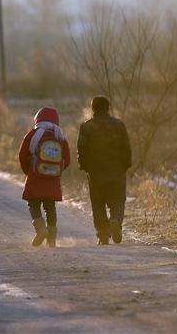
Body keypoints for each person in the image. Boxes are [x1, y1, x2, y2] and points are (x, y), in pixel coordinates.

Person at [77, 96, 132, 245]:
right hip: (117, 170)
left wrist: (84, 166)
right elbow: (126, 148)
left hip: (96, 172)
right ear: (108, 108)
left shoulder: (87, 127)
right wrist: (125, 165)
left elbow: (81, 149)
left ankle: (102, 235)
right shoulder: (119, 125)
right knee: (118, 200)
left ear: (93, 108)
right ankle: (115, 221)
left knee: (98, 203)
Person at [17, 106, 71, 248]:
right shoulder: (60, 137)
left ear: (38, 119)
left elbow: (22, 155)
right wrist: (56, 170)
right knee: (50, 207)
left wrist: (28, 170)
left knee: (33, 204)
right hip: (52, 178)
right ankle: (51, 239)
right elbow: (67, 159)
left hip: (35, 176)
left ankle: (41, 230)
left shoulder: (33, 134)